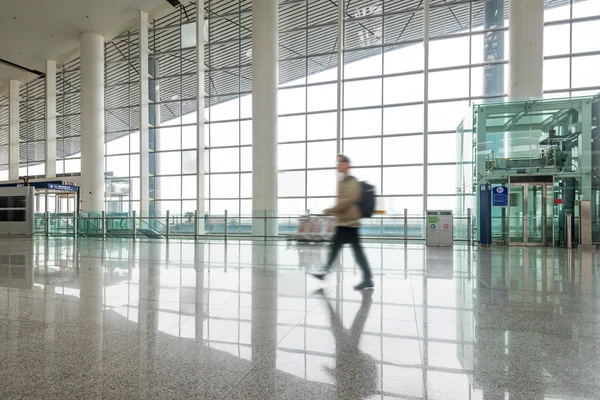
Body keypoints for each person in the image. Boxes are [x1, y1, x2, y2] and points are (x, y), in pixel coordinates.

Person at [311, 155, 374, 290]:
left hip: (349, 222)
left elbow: (347, 201)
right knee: (339, 249)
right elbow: (343, 202)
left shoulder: (352, 182)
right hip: (343, 221)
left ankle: (367, 278)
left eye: (340, 162)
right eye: (337, 162)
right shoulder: (342, 182)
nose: (337, 165)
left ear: (347, 164)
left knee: (350, 251)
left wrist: (331, 210)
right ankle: (367, 278)